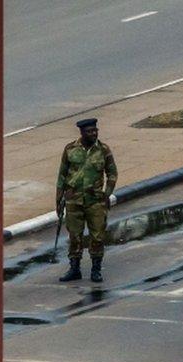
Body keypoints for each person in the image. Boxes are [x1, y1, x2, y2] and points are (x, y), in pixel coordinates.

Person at [56, 118, 118, 283]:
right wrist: (58, 199)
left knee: (97, 236)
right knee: (74, 236)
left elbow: (112, 173)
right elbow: (62, 176)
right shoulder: (70, 149)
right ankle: (74, 268)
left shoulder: (103, 150)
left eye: (95, 130)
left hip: (95, 201)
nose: (94, 133)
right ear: (82, 133)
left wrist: (107, 194)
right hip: (73, 200)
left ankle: (96, 269)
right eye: (90, 131)